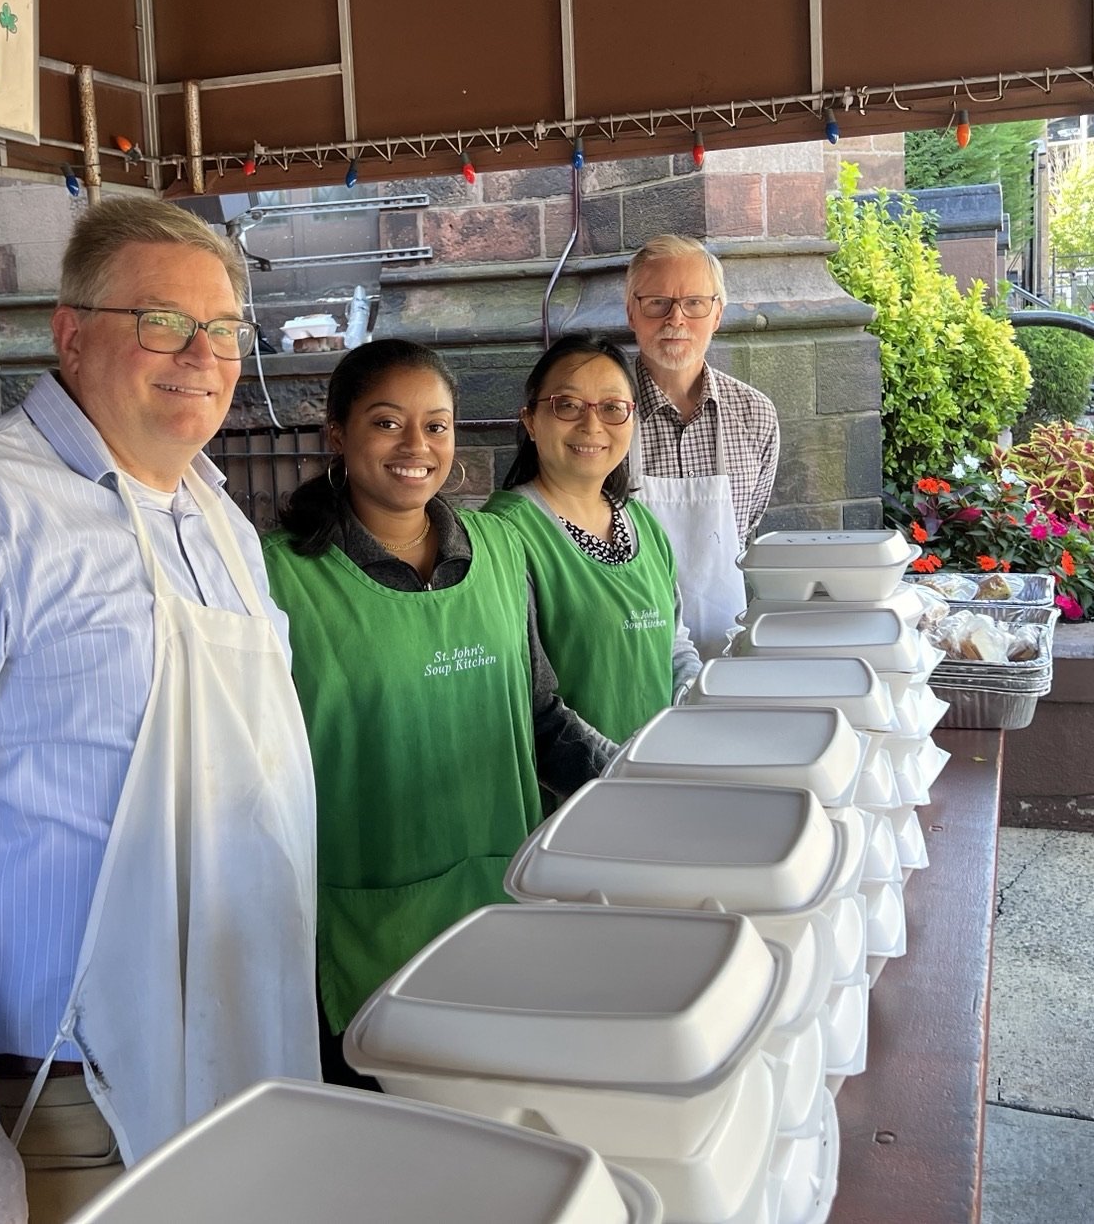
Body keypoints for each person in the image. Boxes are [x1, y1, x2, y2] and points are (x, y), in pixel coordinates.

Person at [0, 199, 318, 1224]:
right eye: (160, 321)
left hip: (238, 1046)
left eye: (223, 329)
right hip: (61, 1091)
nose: (200, 354)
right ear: (70, 331)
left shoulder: (216, 518)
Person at [261, 339, 616, 1079]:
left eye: (438, 424)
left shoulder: (499, 548)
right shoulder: (278, 575)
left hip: (495, 910)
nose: (417, 446)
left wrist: (636, 787)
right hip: (356, 927)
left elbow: (542, 716)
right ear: (338, 434)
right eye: (387, 423)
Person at [484, 334, 699, 742]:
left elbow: (674, 644)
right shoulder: (506, 535)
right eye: (567, 405)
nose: (592, 425)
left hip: (662, 776)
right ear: (530, 420)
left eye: (613, 408)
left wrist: (689, 716)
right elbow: (527, 700)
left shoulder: (642, 523)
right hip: (575, 797)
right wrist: (622, 773)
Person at [625, 234, 782, 656]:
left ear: (717, 315)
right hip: (628, 642)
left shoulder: (756, 416)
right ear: (631, 313)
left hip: (726, 646)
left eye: (695, 303)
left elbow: (745, 533)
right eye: (657, 302)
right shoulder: (602, 414)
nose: (675, 319)